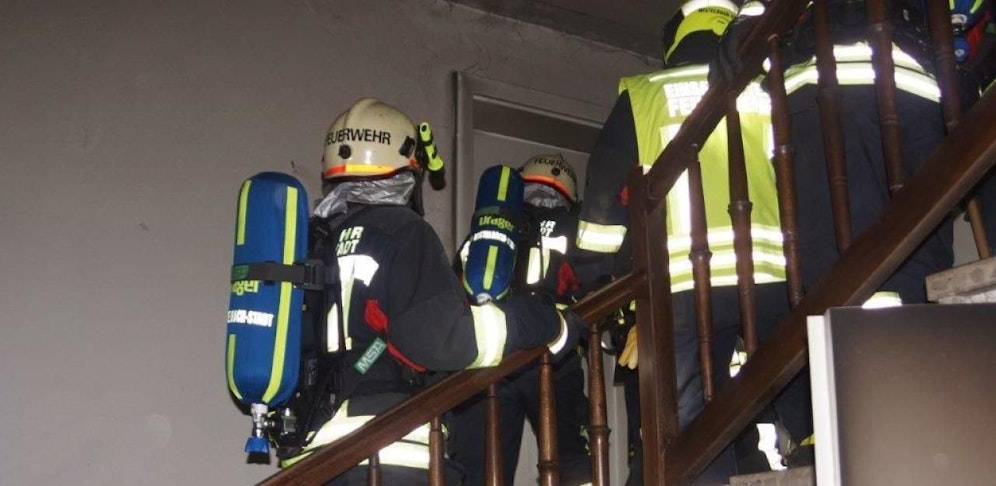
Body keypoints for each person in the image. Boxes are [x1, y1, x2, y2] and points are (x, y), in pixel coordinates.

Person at [278, 97, 580, 485]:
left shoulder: (309, 242)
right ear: (408, 171)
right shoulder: (401, 230)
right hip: (386, 453)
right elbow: (446, 340)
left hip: (310, 460)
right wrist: (540, 321)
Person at [573, 2, 809, 483]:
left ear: (676, 37)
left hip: (680, 286)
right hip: (774, 275)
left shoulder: (643, 95)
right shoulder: (773, 79)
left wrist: (602, 284)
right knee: (804, 391)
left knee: (691, 426)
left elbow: (601, 200)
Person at [449, 154, 593, 486]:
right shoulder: (575, 226)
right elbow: (593, 282)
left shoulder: (489, 231)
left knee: (481, 468)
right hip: (553, 357)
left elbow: (456, 287)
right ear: (568, 194)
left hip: (489, 360)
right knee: (570, 461)